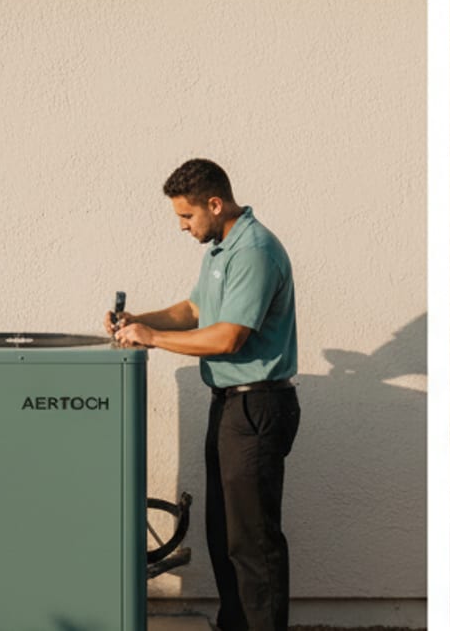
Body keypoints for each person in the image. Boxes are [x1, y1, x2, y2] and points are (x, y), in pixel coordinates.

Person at [107, 158, 301, 631]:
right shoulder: (220, 250)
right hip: (230, 406)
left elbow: (228, 337)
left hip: (256, 406)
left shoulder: (254, 251)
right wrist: (139, 322)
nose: (182, 226)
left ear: (215, 204)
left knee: (253, 542)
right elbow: (195, 309)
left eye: (187, 216)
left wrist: (151, 339)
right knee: (224, 534)